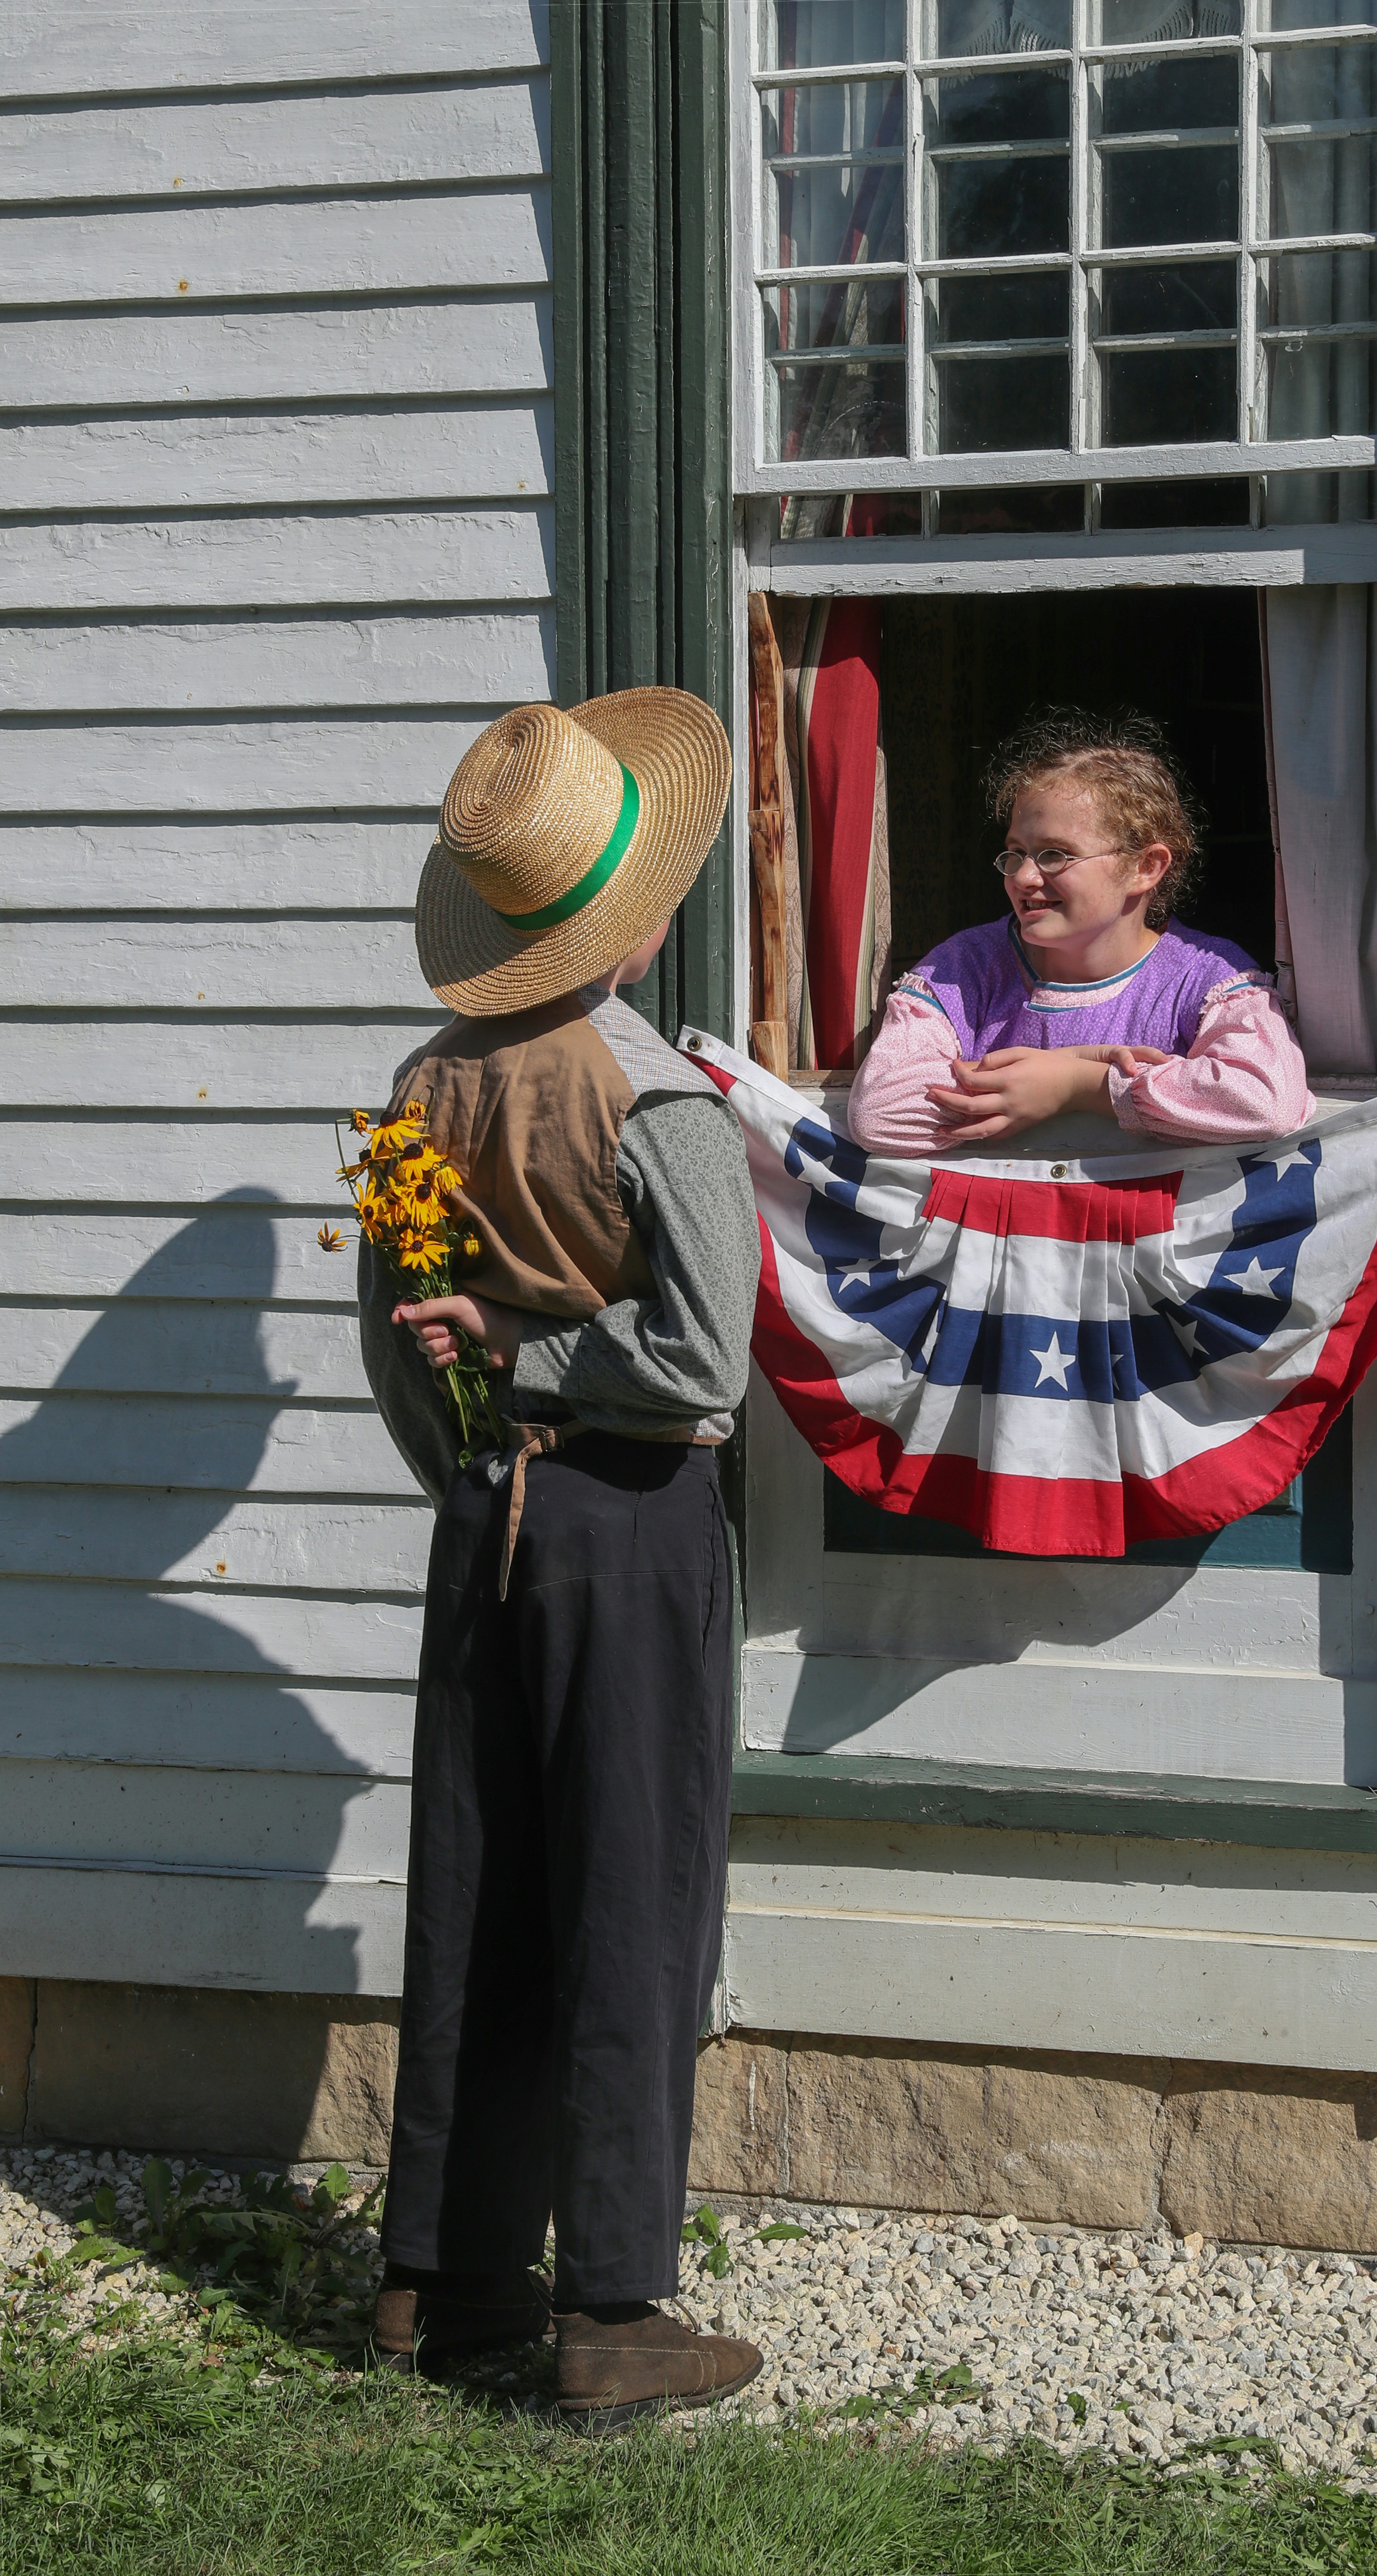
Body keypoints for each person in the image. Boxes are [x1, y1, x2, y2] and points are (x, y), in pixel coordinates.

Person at [357, 691, 763, 2431]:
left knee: (479, 1885)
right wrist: (545, 1384)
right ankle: (607, 2309)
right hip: (622, 1521)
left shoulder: (414, 1092)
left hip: (479, 1522)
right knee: (625, 1894)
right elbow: (703, 1367)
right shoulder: (655, 1094)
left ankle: (439, 2286)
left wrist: (474, 1453)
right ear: (639, 915)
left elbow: (393, 1346)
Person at [846, 707, 1311, 1153]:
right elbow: (881, 1112)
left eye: (1055, 855)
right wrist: (1055, 1074)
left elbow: (1266, 1102)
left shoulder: (1203, 979)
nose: (1024, 878)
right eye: (1015, 853)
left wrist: (1082, 1085)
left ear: (1146, 868)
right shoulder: (965, 970)